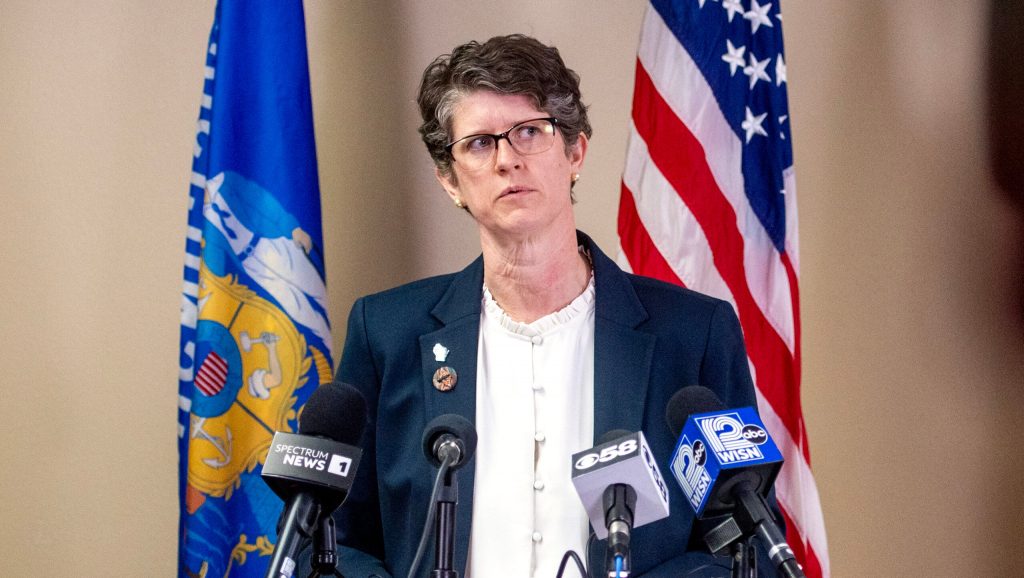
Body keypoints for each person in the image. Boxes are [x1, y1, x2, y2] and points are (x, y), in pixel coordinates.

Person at [328, 34, 781, 577]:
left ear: (575, 153)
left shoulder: (694, 334)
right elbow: (337, 539)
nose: (506, 160)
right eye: (478, 143)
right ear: (450, 182)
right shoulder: (386, 334)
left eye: (528, 132)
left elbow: (742, 539)